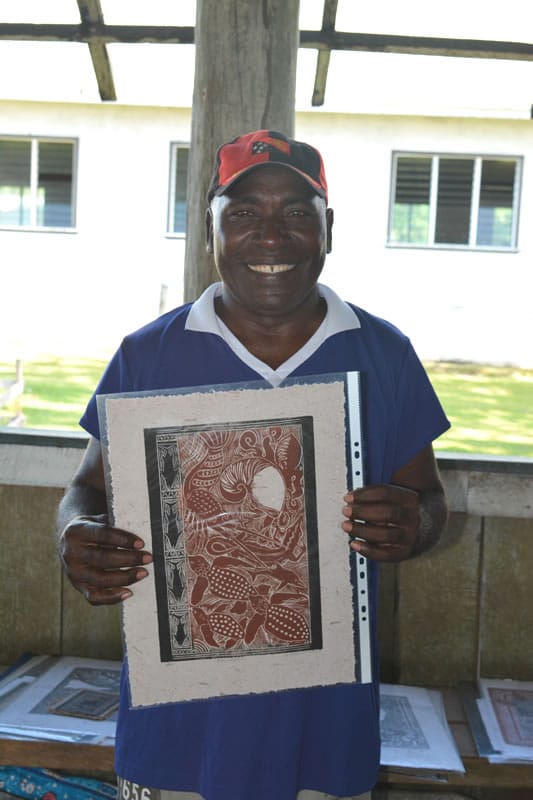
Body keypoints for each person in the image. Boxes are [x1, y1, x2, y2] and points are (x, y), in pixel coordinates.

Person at [57, 129, 450, 800]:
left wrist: (413, 527)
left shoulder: (384, 354)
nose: (271, 236)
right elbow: (87, 490)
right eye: (242, 213)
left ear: (329, 228)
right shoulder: (149, 353)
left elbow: (428, 502)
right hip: (177, 732)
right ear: (208, 225)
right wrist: (75, 537)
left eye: (298, 212)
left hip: (324, 730)